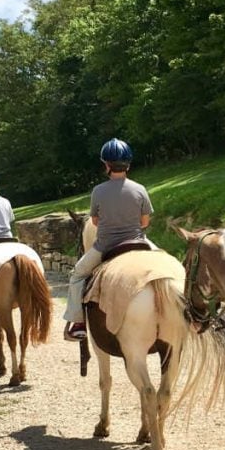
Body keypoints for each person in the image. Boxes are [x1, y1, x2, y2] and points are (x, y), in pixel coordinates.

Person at [63, 138, 153, 340]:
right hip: (139, 242)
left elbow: (94, 221)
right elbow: (145, 222)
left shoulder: (98, 191)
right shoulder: (140, 189)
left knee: (77, 275)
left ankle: (78, 323)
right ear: (128, 164)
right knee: (168, 262)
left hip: (106, 246)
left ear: (106, 165)